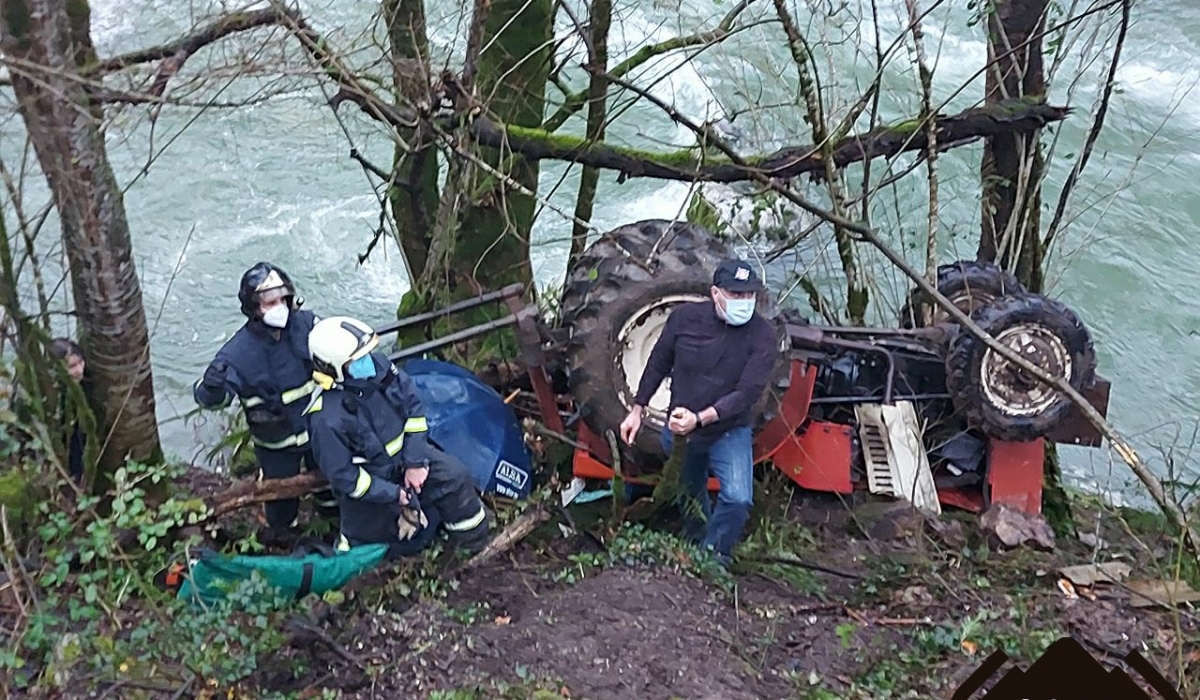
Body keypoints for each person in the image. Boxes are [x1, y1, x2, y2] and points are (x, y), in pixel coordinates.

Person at [618, 258, 779, 566]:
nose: (745, 302)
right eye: (736, 295)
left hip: (728, 430)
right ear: (716, 293)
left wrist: (702, 418)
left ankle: (714, 555)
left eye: (750, 295)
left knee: (737, 498)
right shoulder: (685, 319)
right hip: (680, 430)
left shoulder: (762, 336)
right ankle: (695, 541)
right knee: (689, 490)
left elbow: (747, 393)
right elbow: (658, 363)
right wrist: (637, 410)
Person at [304, 315, 490, 557]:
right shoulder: (326, 418)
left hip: (408, 459)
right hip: (372, 484)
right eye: (358, 360)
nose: (368, 363)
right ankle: (354, 571)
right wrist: (394, 494)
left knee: (455, 478)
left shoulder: (381, 369)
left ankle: (473, 548)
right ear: (332, 368)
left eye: (367, 354)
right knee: (372, 541)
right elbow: (346, 479)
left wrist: (415, 462)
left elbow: (414, 410)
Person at [193, 262, 337, 534]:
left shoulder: (307, 325)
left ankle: (332, 526)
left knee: (330, 487)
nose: (280, 307)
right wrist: (212, 388)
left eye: (283, 299)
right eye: (271, 302)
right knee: (280, 499)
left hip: (318, 431)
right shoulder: (238, 352)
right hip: (275, 444)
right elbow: (211, 399)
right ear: (253, 308)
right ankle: (284, 537)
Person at [49, 337, 88, 484]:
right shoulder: (54, 395)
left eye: (80, 362)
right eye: (72, 366)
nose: (79, 370)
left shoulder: (84, 383)